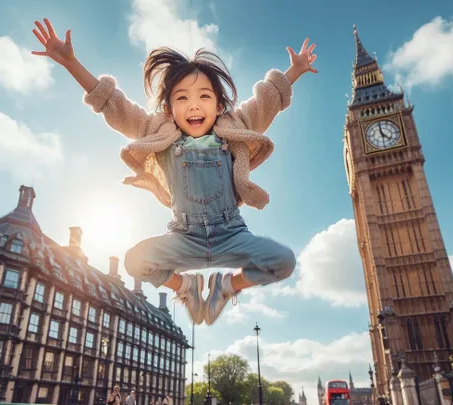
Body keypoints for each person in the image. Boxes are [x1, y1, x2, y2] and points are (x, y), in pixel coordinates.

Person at [31, 19, 317, 326]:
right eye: (183, 98)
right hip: (185, 236)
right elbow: (113, 105)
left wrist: (295, 71)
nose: (194, 106)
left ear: (220, 106)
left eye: (204, 97)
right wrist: (71, 64)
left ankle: (226, 287)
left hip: (231, 233)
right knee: (134, 261)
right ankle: (186, 288)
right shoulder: (159, 131)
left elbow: (267, 101)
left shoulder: (236, 127)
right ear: (169, 109)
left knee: (284, 261)